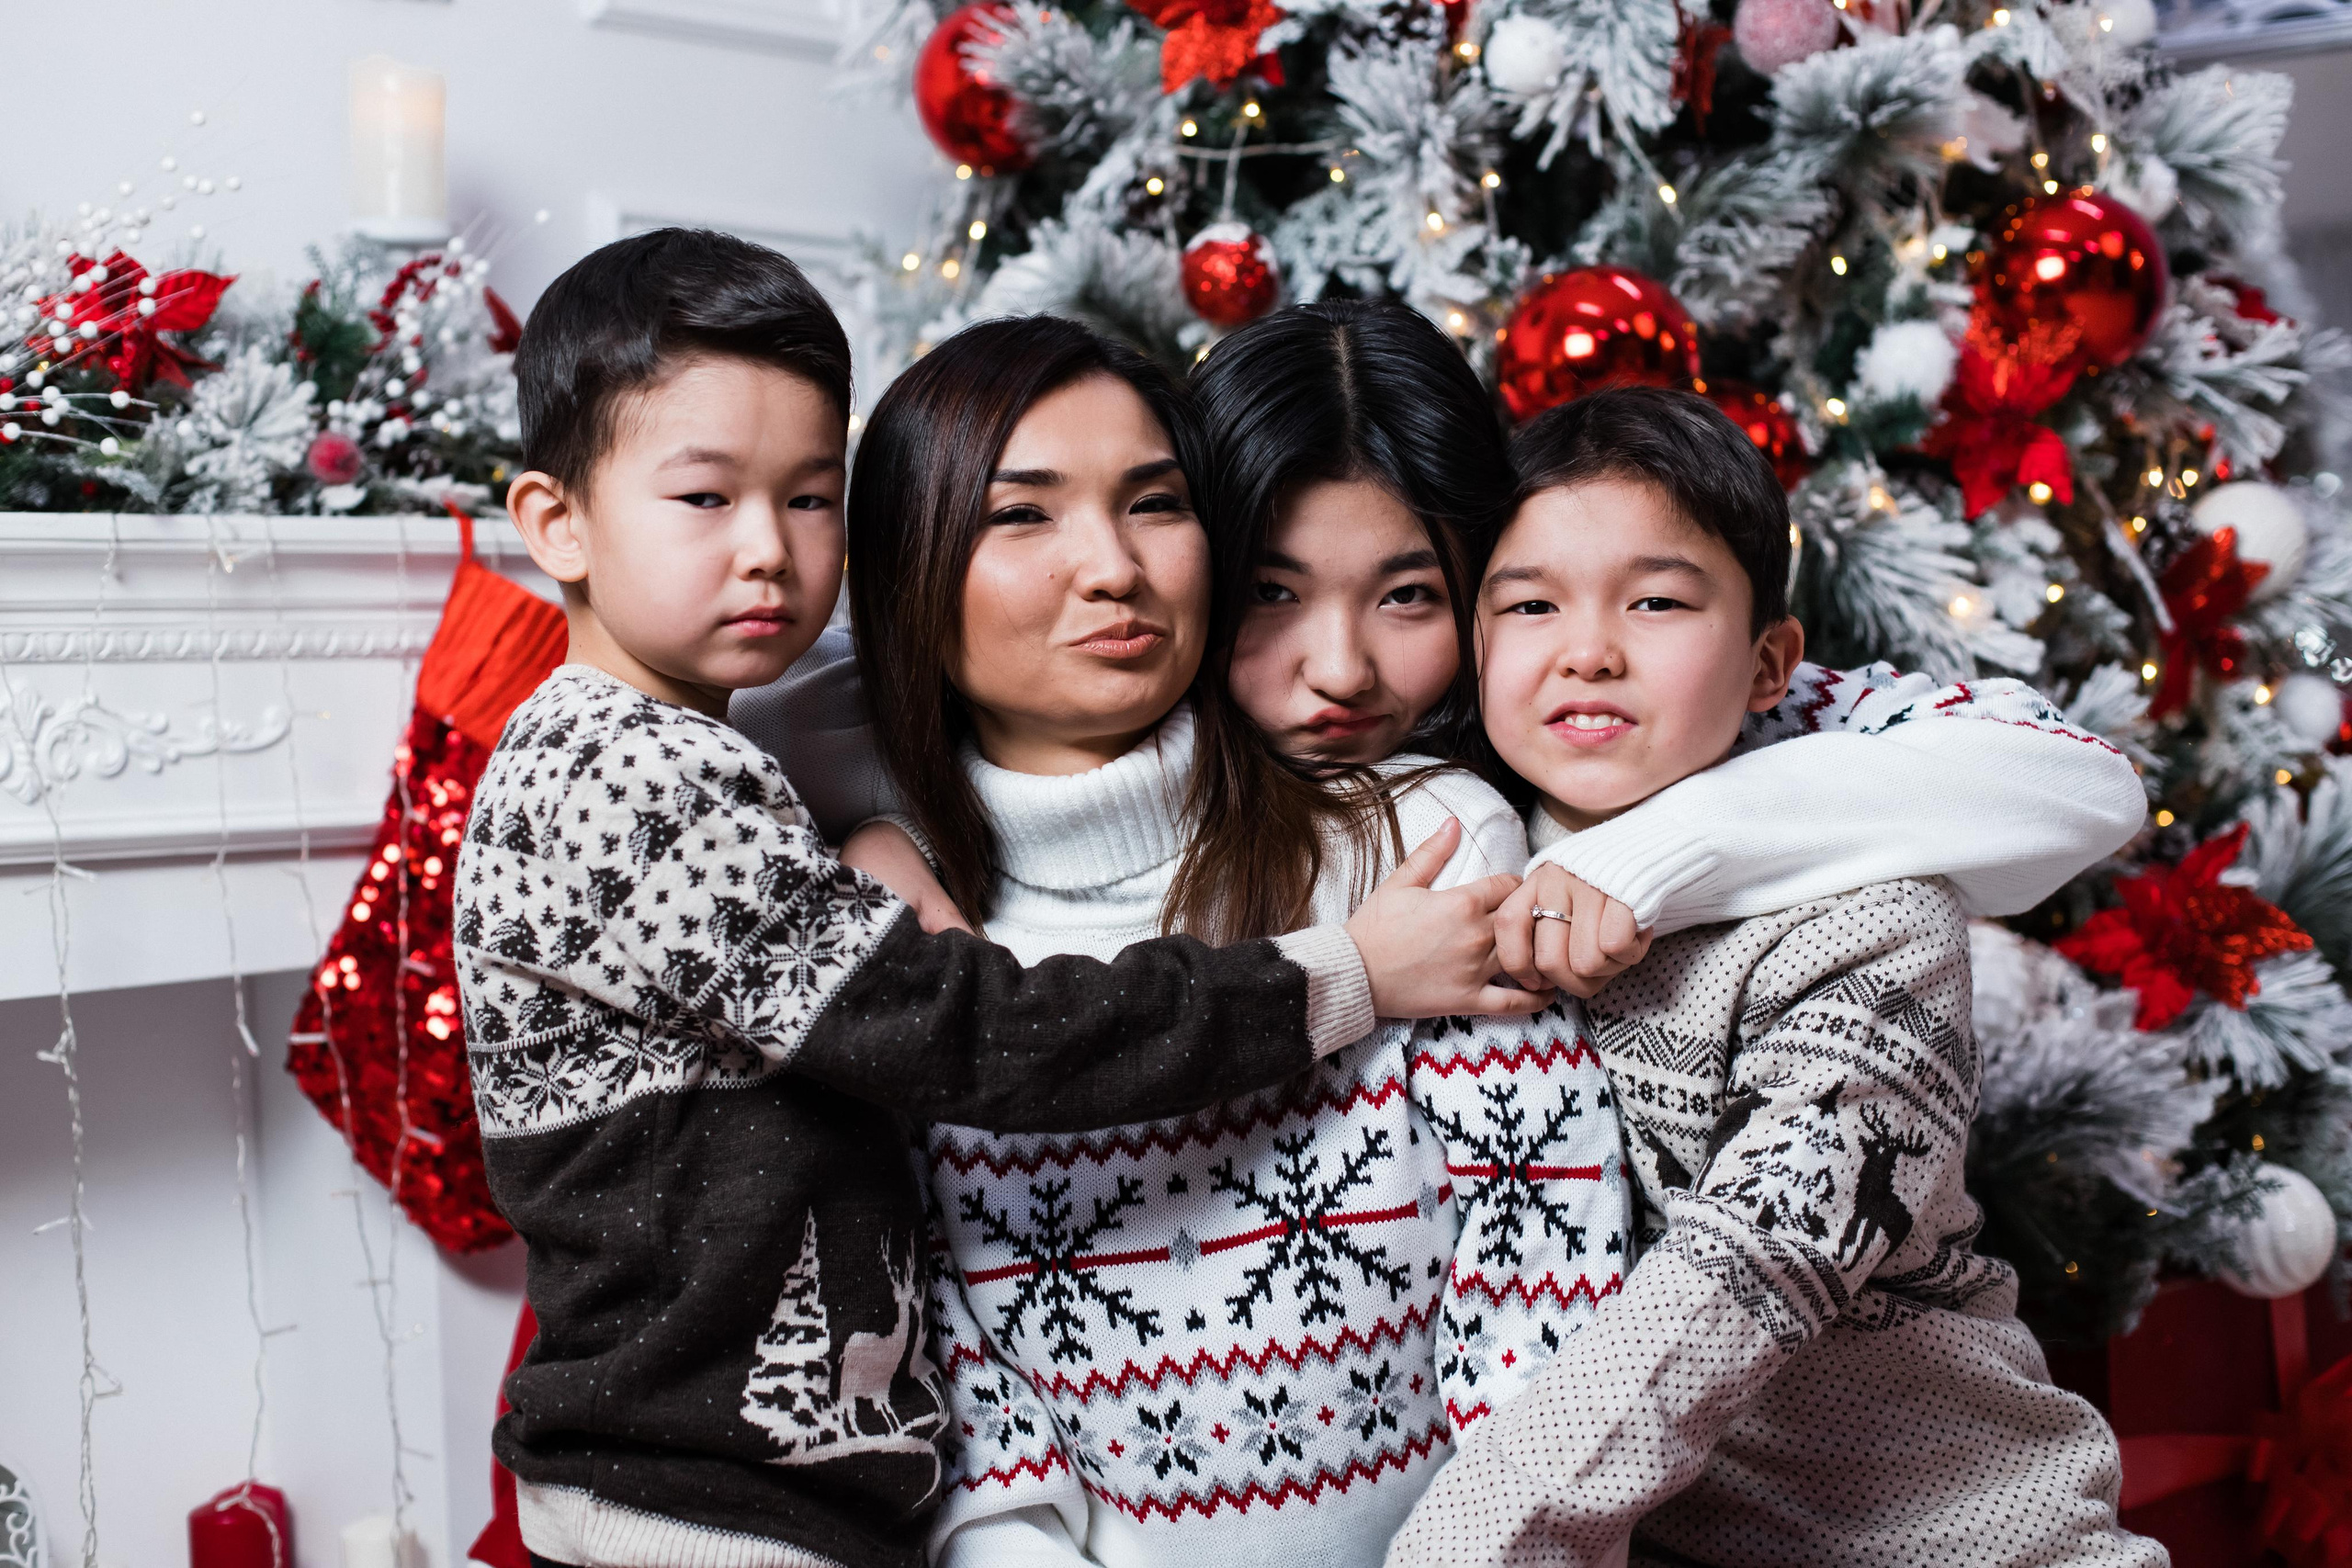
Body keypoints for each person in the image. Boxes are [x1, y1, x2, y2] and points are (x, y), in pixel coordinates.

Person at [807, 304, 2147, 1568]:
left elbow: (2080, 781)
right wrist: (880, 839)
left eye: (1410, 596)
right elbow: (831, 710)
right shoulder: (965, 849)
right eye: (1272, 594)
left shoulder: (1555, 809)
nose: (1340, 672)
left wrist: (1643, 858)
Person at [454, 229, 1540, 1568]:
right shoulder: (633, 775)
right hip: (700, 1496)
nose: (771, 556)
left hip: (799, 1487)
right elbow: (970, 1033)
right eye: (704, 500)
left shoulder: (743, 755)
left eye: (808, 500)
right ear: (554, 522)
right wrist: (1347, 973)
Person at [1385, 387, 2160, 1568]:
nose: (1588, 648)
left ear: (1770, 667)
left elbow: (1741, 1276)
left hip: (1969, 1541)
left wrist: (1475, 1541)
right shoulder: (1444, 883)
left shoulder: (1873, 928)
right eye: (1531, 604)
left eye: (1655, 602)